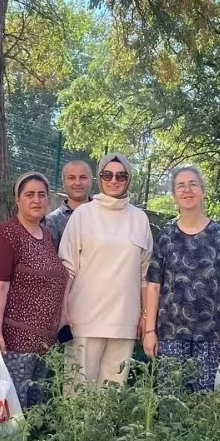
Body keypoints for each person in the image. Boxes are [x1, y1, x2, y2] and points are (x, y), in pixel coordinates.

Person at [142, 165, 220, 391]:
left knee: (205, 407)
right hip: (170, 334)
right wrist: (149, 331)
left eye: (193, 184)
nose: (187, 190)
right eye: (181, 186)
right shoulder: (166, 237)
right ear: (174, 195)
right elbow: (154, 286)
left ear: (203, 191)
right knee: (171, 404)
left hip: (212, 335)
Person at [58, 153, 153, 385]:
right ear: (99, 178)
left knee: (111, 396)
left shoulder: (139, 218)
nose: (114, 180)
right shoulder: (83, 214)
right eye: (107, 174)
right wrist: (63, 312)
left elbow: (145, 275)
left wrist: (145, 316)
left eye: (121, 175)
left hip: (124, 320)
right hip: (84, 319)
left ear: (128, 179)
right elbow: (67, 268)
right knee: (77, 391)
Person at [0, 172, 69, 408]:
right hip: (15, 343)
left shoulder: (46, 236)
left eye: (41, 195)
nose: (36, 200)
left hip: (43, 344)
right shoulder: (7, 235)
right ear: (18, 199)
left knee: (32, 414)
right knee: (9, 412)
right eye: (29, 194)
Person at [43, 159, 93, 248]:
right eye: (71, 178)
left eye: (83, 177)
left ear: (91, 180)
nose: (77, 183)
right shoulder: (52, 222)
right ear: (63, 182)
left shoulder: (103, 214)